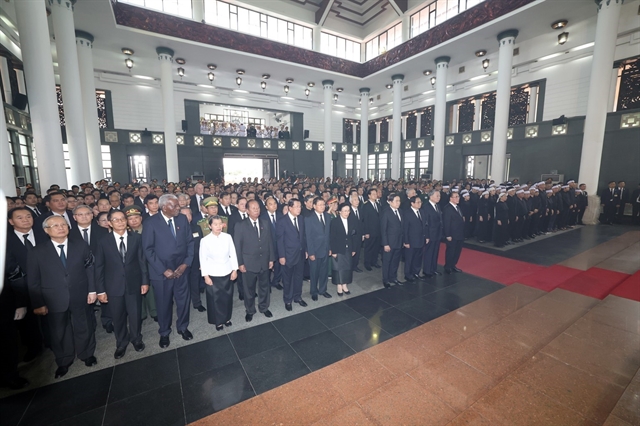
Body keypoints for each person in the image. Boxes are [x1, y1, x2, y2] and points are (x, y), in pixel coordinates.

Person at [27, 216, 97, 379]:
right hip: (53, 297)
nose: (61, 227)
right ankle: (64, 360)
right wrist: (38, 303)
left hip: (80, 293)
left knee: (84, 324)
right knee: (59, 330)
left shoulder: (80, 245)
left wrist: (92, 290)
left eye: (63, 224)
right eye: (55, 225)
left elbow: (90, 269)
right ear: (46, 230)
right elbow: (33, 280)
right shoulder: (37, 251)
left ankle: (87, 354)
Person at [142, 194, 195, 349]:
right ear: (164, 207)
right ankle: (164, 332)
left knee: (183, 301)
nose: (179, 208)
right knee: (163, 303)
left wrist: (186, 264)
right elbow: (148, 249)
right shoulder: (151, 223)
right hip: (162, 273)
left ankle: (183, 327)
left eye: (178, 205)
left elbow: (190, 243)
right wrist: (163, 270)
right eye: (175, 206)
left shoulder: (182, 220)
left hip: (181, 270)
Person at [94, 210, 149, 359]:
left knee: (135, 314)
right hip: (113, 285)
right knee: (117, 317)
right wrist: (100, 290)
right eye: (116, 220)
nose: (120, 222)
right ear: (110, 223)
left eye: (122, 219)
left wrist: (145, 281)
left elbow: (142, 261)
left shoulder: (137, 238)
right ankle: (121, 343)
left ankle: (136, 339)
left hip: (134, 283)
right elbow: (98, 267)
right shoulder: (103, 241)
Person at [234, 200, 275, 321]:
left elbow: (270, 242)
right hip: (248, 262)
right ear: (247, 211)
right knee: (249, 289)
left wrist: (271, 259)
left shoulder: (265, 223)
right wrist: (240, 263)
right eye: (253, 208)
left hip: (264, 260)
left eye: (257, 208)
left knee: (264, 287)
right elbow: (237, 246)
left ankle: (264, 307)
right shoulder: (240, 225)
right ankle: (250, 310)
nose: (256, 210)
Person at [199, 215, 238, 331]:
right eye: (215, 224)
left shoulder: (227, 237)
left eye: (220, 224)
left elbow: (233, 254)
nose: (218, 226)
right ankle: (218, 321)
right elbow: (203, 259)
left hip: (227, 271)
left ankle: (226, 318)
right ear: (210, 226)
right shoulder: (205, 240)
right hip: (213, 274)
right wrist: (205, 276)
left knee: (227, 297)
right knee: (215, 299)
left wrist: (234, 270)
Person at [276, 199, 308, 311]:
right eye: (297, 207)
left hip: (300, 253)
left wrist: (306, 250)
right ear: (290, 208)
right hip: (288, 255)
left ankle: (297, 297)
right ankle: (288, 300)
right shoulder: (282, 221)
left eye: (300, 206)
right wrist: (281, 256)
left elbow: (303, 237)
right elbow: (280, 240)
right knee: (287, 279)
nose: (299, 209)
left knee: (299, 277)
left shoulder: (301, 219)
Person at [305, 197, 332, 301]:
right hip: (315, 250)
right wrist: (310, 252)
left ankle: (323, 290)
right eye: (319, 205)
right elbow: (308, 237)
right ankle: (314, 291)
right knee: (314, 272)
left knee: (324, 272)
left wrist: (329, 248)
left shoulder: (327, 216)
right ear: (314, 206)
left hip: (325, 249)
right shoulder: (309, 218)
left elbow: (328, 235)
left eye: (323, 204)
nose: (322, 206)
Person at [330, 203, 358, 296]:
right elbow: (332, 237)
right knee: (338, 267)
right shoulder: (335, 221)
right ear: (340, 212)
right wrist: (333, 251)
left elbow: (353, 236)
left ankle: (345, 284)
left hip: (348, 248)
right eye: (345, 211)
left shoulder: (351, 221)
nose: (347, 213)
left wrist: (354, 248)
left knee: (347, 267)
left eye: (348, 211)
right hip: (338, 248)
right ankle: (339, 285)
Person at [380, 193, 404, 287]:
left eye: (399, 201)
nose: (398, 203)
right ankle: (386, 280)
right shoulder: (386, 212)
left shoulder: (400, 211)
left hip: (398, 241)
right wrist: (385, 244)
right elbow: (383, 229)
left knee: (395, 261)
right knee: (387, 262)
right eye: (396, 201)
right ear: (390, 202)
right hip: (389, 242)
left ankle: (393, 277)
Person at [402, 195, 428, 282]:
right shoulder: (407, 213)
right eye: (418, 202)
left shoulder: (422, 211)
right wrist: (406, 241)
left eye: (420, 202)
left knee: (418, 257)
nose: (420, 204)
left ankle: (416, 272)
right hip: (411, 240)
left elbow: (425, 225)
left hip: (421, 239)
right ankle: (408, 274)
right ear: (412, 203)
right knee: (410, 258)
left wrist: (426, 236)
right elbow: (405, 229)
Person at [262, 197, 283, 290]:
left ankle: (276, 281)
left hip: (279, 245)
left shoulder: (280, 216)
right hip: (267, 246)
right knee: (267, 266)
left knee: (279, 265)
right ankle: (267, 283)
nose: (274, 205)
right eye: (270, 204)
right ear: (266, 207)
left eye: (275, 203)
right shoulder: (262, 217)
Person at [442, 192, 465, 274]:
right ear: (451, 198)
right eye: (455, 197)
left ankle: (453, 265)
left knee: (457, 251)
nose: (458, 198)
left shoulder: (458, 207)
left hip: (459, 233)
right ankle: (448, 266)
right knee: (451, 251)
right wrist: (447, 234)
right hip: (452, 234)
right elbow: (446, 222)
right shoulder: (447, 208)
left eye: (458, 196)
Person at [361, 188, 381, 271]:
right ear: (369, 195)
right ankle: (367, 263)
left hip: (378, 230)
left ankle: (374, 261)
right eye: (373, 194)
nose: (375, 195)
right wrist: (366, 232)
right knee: (369, 248)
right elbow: (364, 220)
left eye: (376, 194)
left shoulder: (378, 204)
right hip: (370, 231)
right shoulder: (366, 205)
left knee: (376, 247)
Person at [348, 192, 364, 273]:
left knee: (357, 251)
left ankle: (355, 265)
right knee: (351, 251)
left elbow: (362, 223)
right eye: (354, 200)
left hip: (359, 235)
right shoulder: (348, 211)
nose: (357, 201)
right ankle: (349, 266)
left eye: (357, 199)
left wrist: (363, 234)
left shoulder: (360, 210)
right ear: (351, 201)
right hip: (351, 236)